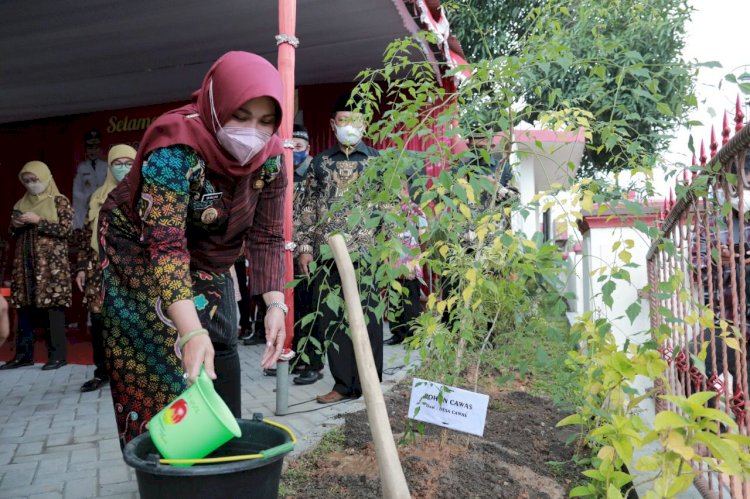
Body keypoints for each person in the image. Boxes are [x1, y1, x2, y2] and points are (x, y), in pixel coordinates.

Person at [99, 51, 288, 446]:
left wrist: (275, 304)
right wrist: (188, 333)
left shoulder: (270, 160)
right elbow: (165, 248)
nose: (253, 132)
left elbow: (267, 236)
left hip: (210, 251)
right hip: (138, 252)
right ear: (218, 106)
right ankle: (163, 457)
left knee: (220, 338)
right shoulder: (175, 148)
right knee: (160, 351)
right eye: (241, 116)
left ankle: (226, 445)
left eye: (266, 122)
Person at [297, 92, 384, 403]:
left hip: (368, 251)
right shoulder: (320, 163)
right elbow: (306, 208)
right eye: (344, 120)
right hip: (328, 253)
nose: (350, 126)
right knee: (332, 318)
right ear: (333, 124)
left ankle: (370, 382)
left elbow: (392, 207)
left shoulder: (378, 160)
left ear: (365, 123)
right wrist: (305, 247)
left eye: (355, 120)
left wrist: (393, 251)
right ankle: (343, 384)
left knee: (370, 317)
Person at [0, 161, 72, 371]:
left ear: (46, 178)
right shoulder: (20, 203)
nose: (31, 185)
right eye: (27, 181)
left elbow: (67, 230)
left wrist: (38, 220)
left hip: (51, 266)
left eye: (35, 180)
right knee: (24, 309)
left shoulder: (59, 201)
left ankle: (57, 356)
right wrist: (14, 226)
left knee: (53, 310)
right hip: (25, 266)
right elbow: (12, 235)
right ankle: (24, 355)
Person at [76, 144, 137, 392]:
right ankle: (103, 371)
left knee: (130, 318)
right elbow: (85, 234)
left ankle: (132, 371)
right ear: (109, 166)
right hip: (98, 266)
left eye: (128, 163)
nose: (123, 168)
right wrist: (81, 267)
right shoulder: (98, 196)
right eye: (117, 163)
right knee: (100, 319)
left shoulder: (143, 193)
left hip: (131, 267)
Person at [290, 124, 324, 385]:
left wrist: (308, 249)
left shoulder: (316, 172)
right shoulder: (286, 174)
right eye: (290, 147)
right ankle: (297, 355)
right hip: (288, 252)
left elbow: (314, 216)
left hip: (311, 252)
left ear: (308, 148)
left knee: (312, 306)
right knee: (294, 305)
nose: (294, 152)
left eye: (299, 147)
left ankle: (313, 360)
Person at [384, 186, 427, 345]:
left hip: (410, 259)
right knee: (393, 298)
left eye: (401, 187)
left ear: (406, 190)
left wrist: (417, 258)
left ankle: (415, 335)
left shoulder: (415, 210)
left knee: (411, 298)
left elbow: (424, 236)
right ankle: (398, 333)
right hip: (392, 258)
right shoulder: (387, 209)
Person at [72, 129, 109, 230]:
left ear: (100, 149)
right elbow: (76, 191)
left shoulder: (106, 167)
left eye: (96, 148)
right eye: (90, 148)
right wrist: (87, 198)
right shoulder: (82, 167)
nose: (93, 151)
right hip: (86, 207)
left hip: (103, 204)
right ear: (86, 150)